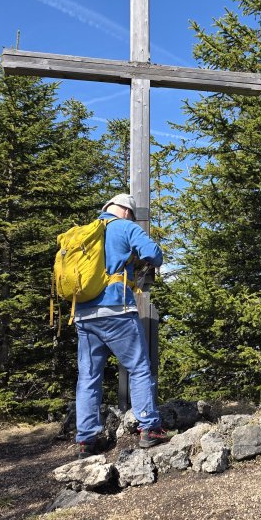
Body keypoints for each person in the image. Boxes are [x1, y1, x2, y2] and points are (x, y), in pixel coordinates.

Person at [74, 192, 170, 457]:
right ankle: (150, 428)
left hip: (83, 315)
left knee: (89, 376)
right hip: (117, 311)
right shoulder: (125, 227)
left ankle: (87, 440)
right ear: (127, 212)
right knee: (139, 367)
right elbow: (154, 253)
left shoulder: (85, 233)